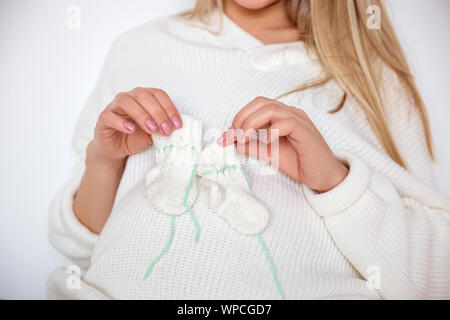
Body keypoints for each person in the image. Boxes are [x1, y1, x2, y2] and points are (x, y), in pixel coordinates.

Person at [47, 0, 450, 299]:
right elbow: (79, 245)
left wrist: (333, 180)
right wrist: (103, 162)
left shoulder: (369, 77)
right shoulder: (139, 47)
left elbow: (436, 274)